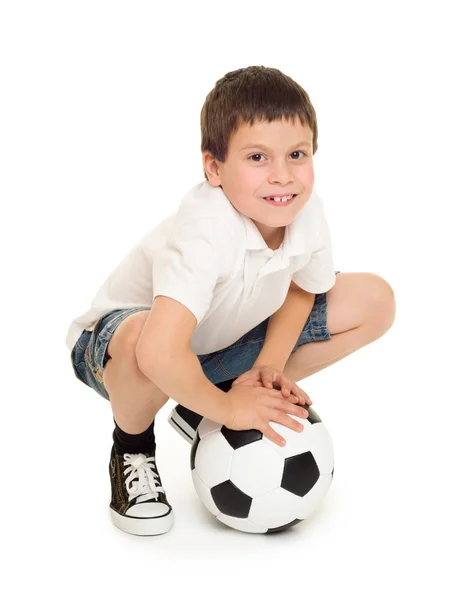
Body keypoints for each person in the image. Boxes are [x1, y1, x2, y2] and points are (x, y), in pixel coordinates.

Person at [66, 65, 396, 537]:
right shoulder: (206, 229)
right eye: (258, 157)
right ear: (214, 168)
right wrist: (236, 416)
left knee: (374, 300)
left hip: (212, 345)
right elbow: (160, 352)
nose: (282, 177)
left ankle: (203, 402)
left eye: (297, 154)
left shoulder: (304, 209)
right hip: (116, 351)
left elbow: (305, 285)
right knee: (145, 341)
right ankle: (133, 446)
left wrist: (271, 364)